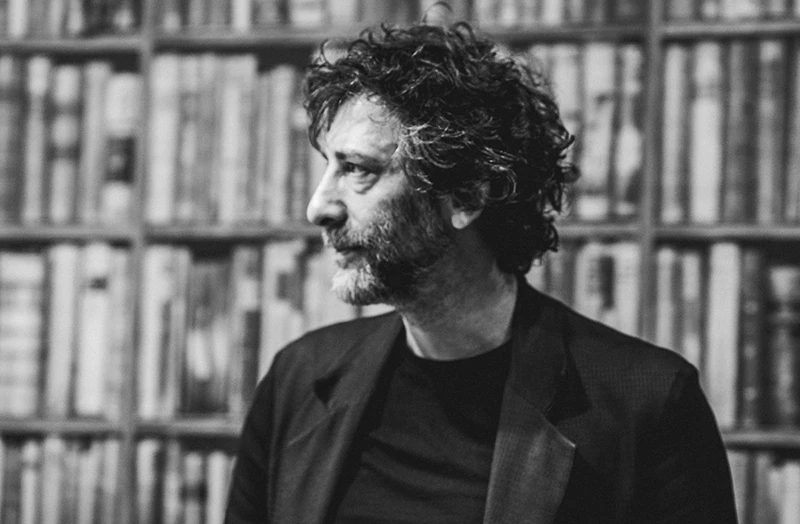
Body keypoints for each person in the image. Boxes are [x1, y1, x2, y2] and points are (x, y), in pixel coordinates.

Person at [225, 21, 737, 524]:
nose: (319, 207)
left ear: (466, 196)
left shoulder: (648, 403)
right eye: (328, 165)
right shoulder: (299, 379)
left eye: (357, 169)